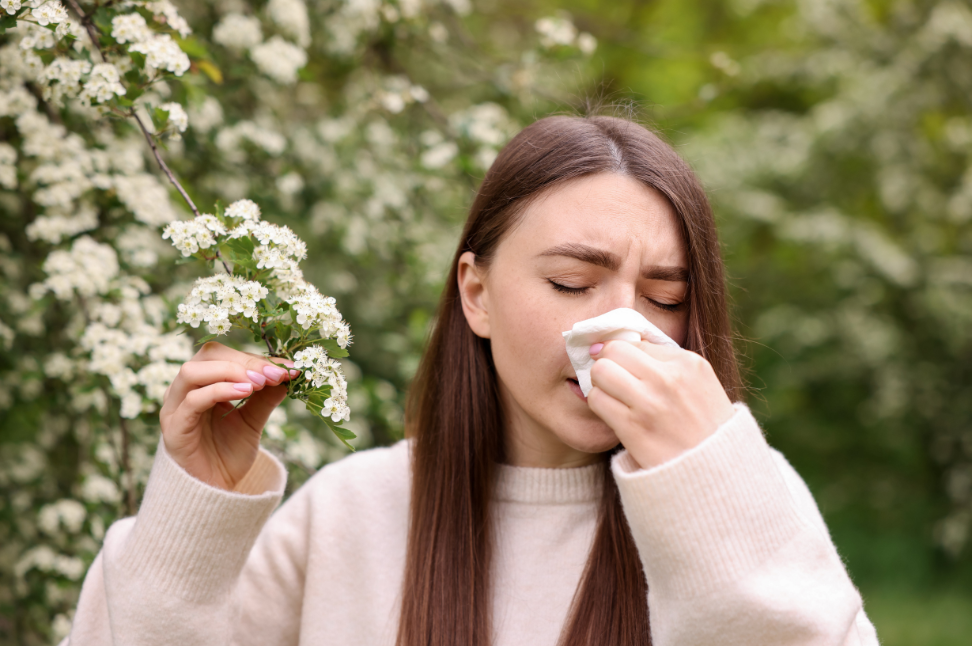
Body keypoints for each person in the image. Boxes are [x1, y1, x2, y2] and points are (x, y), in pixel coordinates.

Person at [64, 115, 880, 646]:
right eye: (570, 283)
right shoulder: (351, 514)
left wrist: (707, 487)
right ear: (476, 292)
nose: (621, 329)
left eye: (665, 299)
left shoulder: (747, 498)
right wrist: (193, 510)